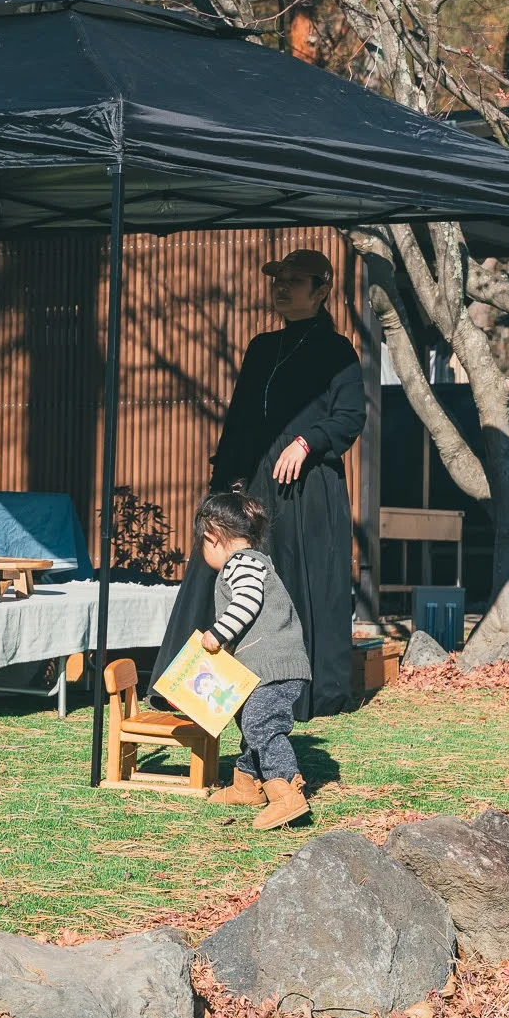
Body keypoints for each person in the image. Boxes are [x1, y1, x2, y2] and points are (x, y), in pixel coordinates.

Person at [151, 247, 365, 721]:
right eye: (277, 280)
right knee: (217, 571)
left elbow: (351, 417)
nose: (282, 288)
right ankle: (189, 690)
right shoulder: (261, 347)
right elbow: (241, 421)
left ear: (322, 289)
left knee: (295, 583)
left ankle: (301, 693)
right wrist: (221, 485)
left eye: (294, 280)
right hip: (254, 485)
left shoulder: (338, 351)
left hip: (307, 490)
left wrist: (308, 442)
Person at [192, 490, 311, 830]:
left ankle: (286, 791)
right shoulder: (253, 561)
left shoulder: (241, 564)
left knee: (262, 724)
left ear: (213, 537)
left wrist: (217, 634)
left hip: (275, 666)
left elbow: (245, 602)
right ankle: (248, 783)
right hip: (260, 667)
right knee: (250, 721)